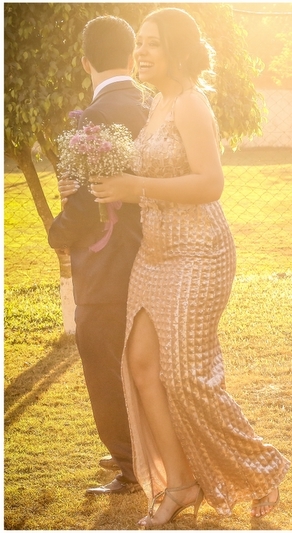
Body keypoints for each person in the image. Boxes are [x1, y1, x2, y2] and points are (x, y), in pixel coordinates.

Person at [90, 8, 288, 526]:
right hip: (153, 254)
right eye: (141, 43)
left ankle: (263, 468)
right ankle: (180, 483)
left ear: (177, 49)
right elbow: (151, 170)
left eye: (154, 43)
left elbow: (210, 183)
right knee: (140, 367)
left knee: (187, 377)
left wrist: (137, 187)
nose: (143, 53)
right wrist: (108, 174)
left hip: (199, 252)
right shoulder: (154, 102)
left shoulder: (192, 104)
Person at [48, 15, 147, 496]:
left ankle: (130, 462)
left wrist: (58, 232)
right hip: (152, 254)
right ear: (132, 57)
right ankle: (141, 448)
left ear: (85, 62)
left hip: (106, 264)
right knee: (144, 358)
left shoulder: (92, 117)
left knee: (102, 359)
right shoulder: (152, 106)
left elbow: (89, 200)